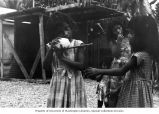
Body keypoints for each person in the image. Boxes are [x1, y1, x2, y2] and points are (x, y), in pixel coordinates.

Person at [85, 15, 159, 107]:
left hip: (134, 91)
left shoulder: (139, 55)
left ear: (140, 37)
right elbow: (116, 55)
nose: (129, 36)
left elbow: (121, 71)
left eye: (132, 34)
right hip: (141, 91)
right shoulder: (148, 54)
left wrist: (98, 70)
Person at [44, 12, 87, 108]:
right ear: (55, 35)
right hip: (58, 83)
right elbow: (45, 66)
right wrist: (51, 49)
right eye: (60, 32)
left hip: (74, 82)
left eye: (67, 29)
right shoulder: (52, 45)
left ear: (71, 28)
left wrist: (62, 58)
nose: (65, 33)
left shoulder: (78, 44)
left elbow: (81, 66)